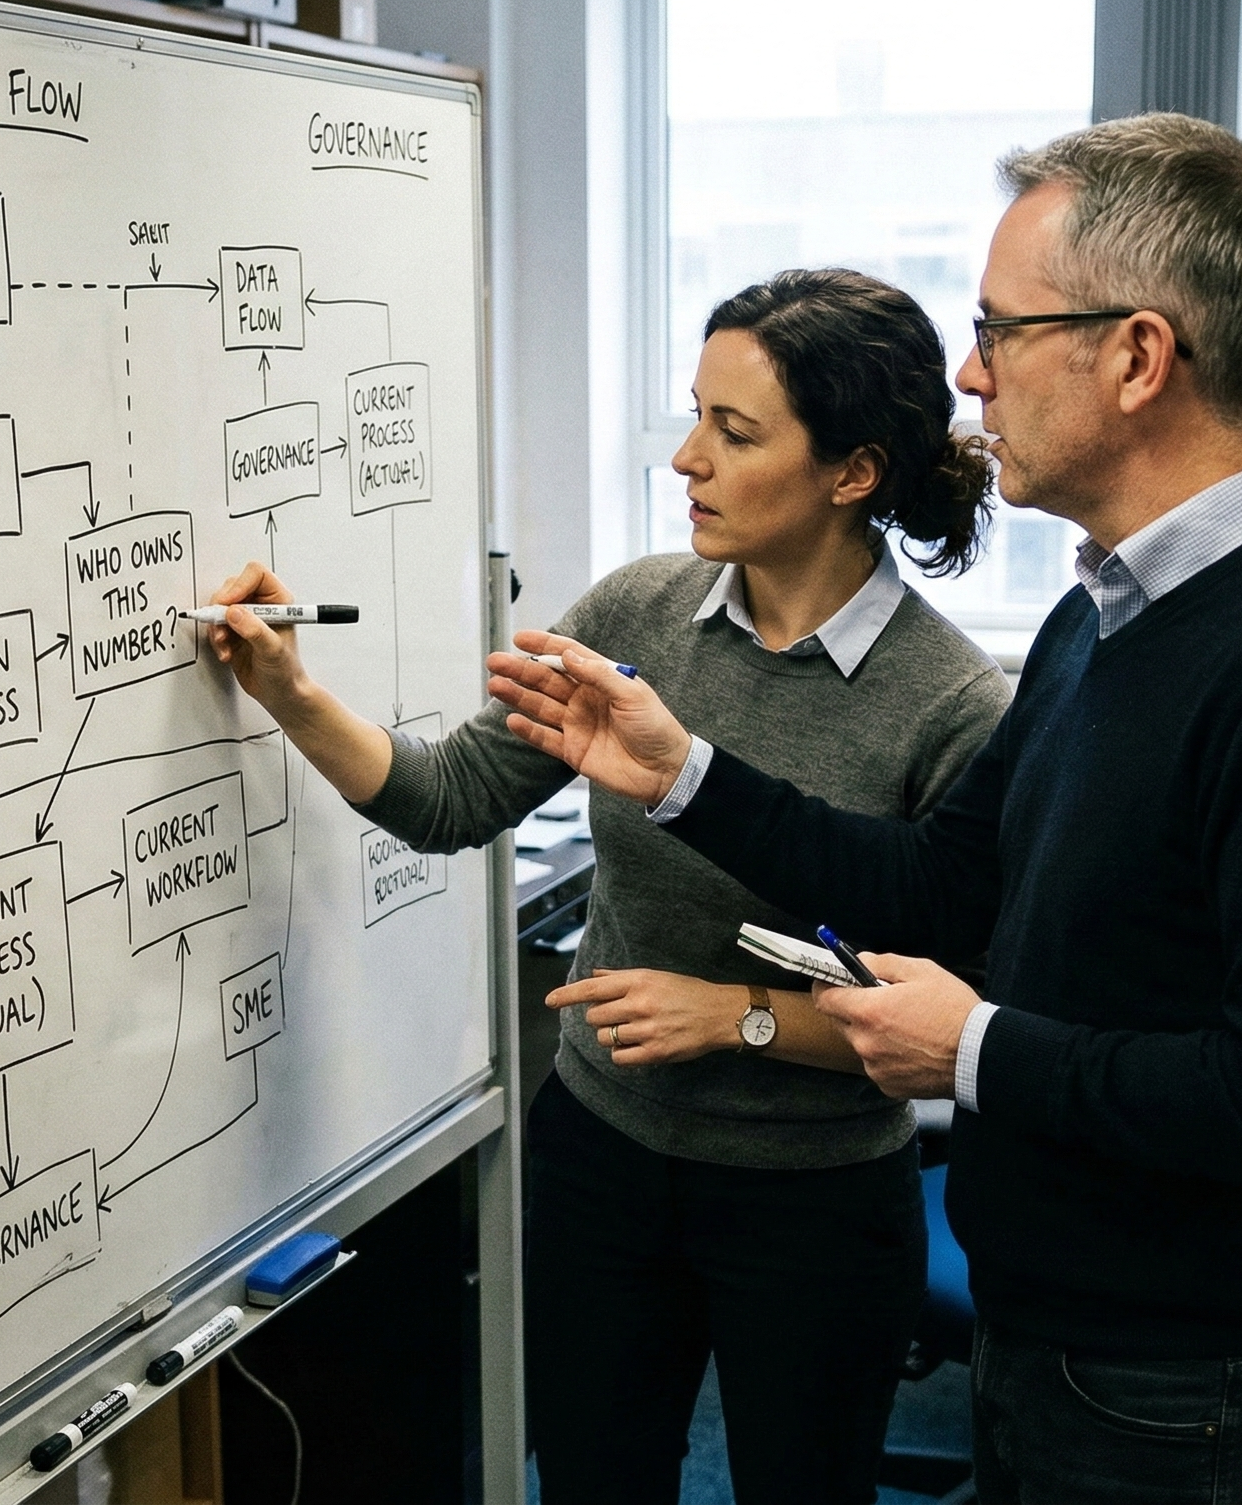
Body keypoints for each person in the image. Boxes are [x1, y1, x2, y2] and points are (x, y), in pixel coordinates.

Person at [484, 114, 1242, 1505]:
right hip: (1056, 1332)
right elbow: (941, 884)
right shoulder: (1102, 616)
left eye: (1002, 329)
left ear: (1136, 357)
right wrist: (682, 776)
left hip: (1192, 1391)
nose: (967, 371)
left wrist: (976, 1050)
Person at [202, 268, 1010, 1505]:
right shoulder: (641, 610)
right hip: (605, 1159)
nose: (686, 457)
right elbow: (446, 800)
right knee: (587, 1479)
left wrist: (733, 1016)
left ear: (851, 472)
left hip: (814, 1199)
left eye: (733, 433)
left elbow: (956, 1017)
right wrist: (291, 696)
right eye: (693, 414)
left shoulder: (950, 704)